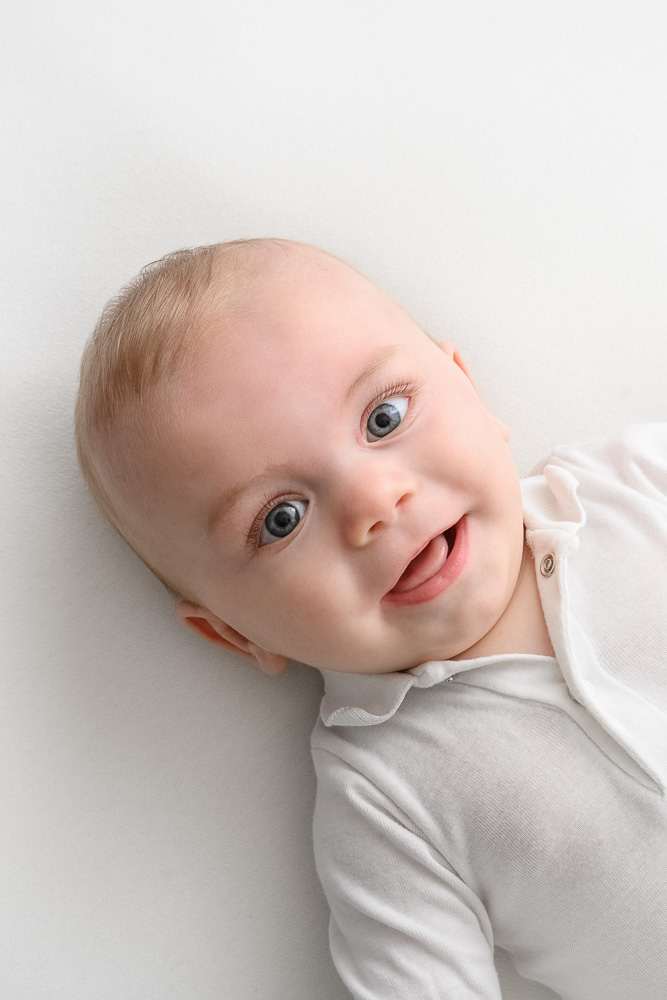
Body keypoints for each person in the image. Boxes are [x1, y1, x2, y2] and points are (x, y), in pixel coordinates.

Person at [75, 237, 667, 999]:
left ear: (469, 390)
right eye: (282, 518)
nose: (372, 503)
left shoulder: (637, 486)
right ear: (233, 633)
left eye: (384, 417)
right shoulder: (382, 796)